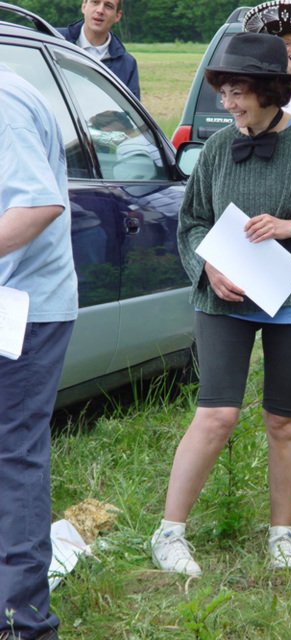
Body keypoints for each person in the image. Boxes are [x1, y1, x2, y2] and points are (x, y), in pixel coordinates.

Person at [150, 32, 291, 575]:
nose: (228, 103)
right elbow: (191, 220)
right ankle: (170, 533)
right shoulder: (219, 146)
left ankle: (282, 535)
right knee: (217, 413)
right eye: (224, 92)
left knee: (284, 421)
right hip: (225, 299)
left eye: (238, 92)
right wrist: (208, 268)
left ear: (270, 89)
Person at [0, 66, 78, 639]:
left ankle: (22, 621)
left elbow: (37, 204)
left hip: (22, 306)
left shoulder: (2, 99)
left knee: (13, 455)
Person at [58, 0, 140, 99]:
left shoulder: (127, 65)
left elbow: (129, 113)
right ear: (84, 6)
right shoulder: (55, 41)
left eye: (108, 6)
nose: (100, 10)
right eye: (95, 2)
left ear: (117, 16)